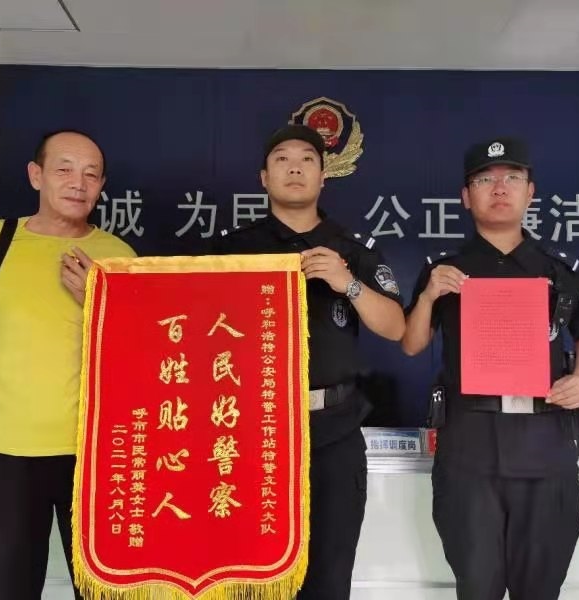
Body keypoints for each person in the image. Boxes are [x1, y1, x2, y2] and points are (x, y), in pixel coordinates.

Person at [401, 137, 579, 600]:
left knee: (540, 588)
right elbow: (412, 344)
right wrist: (429, 295)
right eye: (485, 180)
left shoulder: (560, 271)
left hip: (545, 443)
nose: (499, 188)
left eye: (512, 178)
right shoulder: (444, 270)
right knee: (477, 587)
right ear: (465, 196)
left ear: (530, 192)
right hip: (469, 447)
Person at [0, 130, 136, 600]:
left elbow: (139, 351)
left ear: (102, 185)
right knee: (11, 590)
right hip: (7, 452)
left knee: (106, 592)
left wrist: (97, 302)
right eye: (64, 169)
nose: (78, 183)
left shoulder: (119, 256)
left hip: (99, 455)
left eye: (91, 174)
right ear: (35, 175)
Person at [212, 124, 406, 600]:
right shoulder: (231, 250)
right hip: (251, 432)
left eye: (307, 160)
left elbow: (396, 327)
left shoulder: (352, 250)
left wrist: (348, 283)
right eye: (282, 159)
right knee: (251, 579)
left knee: (328, 578)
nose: (294, 168)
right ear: (264, 177)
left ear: (323, 176)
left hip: (333, 430)